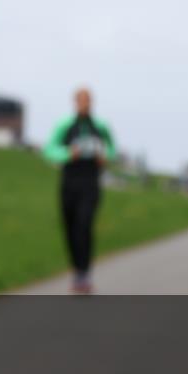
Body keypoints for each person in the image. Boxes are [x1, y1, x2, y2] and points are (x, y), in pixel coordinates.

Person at [43, 88, 116, 294]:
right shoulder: (65, 125)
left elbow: (112, 148)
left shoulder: (100, 127)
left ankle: (85, 272)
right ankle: (76, 270)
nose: (85, 104)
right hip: (69, 180)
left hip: (90, 181)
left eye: (88, 100)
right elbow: (49, 150)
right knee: (70, 226)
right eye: (81, 100)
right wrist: (68, 153)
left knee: (84, 225)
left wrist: (105, 156)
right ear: (75, 102)